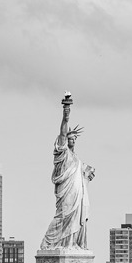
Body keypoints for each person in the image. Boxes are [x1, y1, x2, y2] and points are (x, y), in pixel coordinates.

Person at [41, 93, 96, 250]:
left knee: (75, 216)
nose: (72, 141)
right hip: (66, 191)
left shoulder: (77, 159)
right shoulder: (63, 152)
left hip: (76, 192)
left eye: (74, 139)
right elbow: (63, 129)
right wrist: (66, 111)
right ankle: (49, 243)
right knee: (63, 215)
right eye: (70, 138)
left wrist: (88, 172)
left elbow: (84, 172)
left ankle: (71, 244)